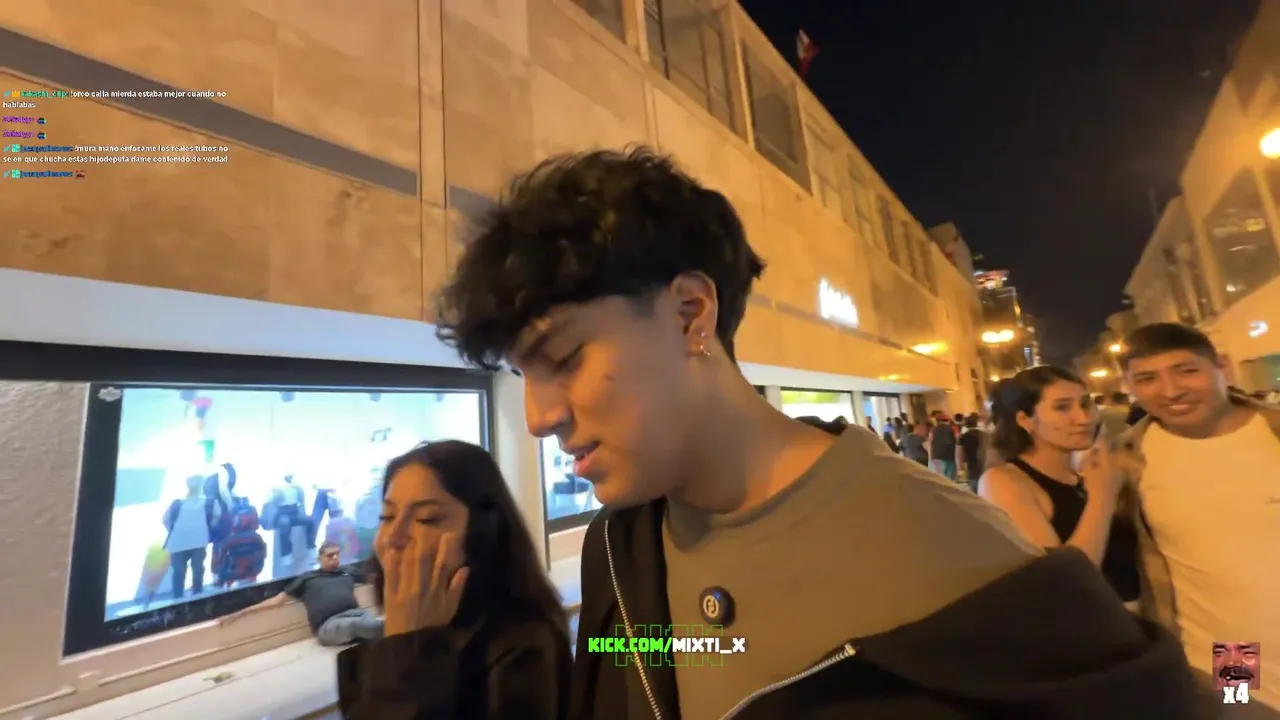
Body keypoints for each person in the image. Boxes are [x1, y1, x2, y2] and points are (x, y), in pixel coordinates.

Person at [433, 148, 1208, 718]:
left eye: (564, 359)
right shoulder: (619, 545)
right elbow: (647, 661)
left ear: (690, 314)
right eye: (522, 377)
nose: (537, 417)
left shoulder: (954, 551)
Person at [335, 441, 571, 719]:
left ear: (483, 532)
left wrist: (409, 652)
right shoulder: (388, 634)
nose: (393, 537)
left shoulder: (524, 649)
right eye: (387, 516)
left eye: (426, 519)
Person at [1120, 322, 1280, 711]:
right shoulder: (1126, 460)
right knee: (1242, 714)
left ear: (1222, 366)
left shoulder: (1273, 433)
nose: (1171, 390)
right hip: (1231, 653)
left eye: (1187, 370)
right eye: (1147, 379)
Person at [978, 366, 1141, 606]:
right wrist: (1103, 495)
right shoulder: (1004, 482)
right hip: (1087, 626)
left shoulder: (1084, 476)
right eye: (1062, 407)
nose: (1084, 418)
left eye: (1085, 404)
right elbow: (1066, 584)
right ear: (1025, 420)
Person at [219, 542, 382, 646]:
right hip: (330, 624)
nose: (335, 558)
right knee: (362, 626)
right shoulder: (307, 578)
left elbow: (375, 579)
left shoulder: (347, 571)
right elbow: (276, 601)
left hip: (358, 613)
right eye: (330, 555)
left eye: (337, 554)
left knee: (373, 623)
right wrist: (238, 614)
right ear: (319, 559)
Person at [161, 473, 217, 601]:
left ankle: (178, 598)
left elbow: (165, 520)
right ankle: (197, 596)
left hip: (178, 542)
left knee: (178, 572)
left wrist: (176, 531)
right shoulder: (209, 502)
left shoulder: (177, 503)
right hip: (199, 540)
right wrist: (205, 529)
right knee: (198, 569)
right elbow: (216, 517)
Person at [957, 413, 986, 492]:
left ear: (966, 425)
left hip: (971, 465)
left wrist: (960, 467)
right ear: (976, 423)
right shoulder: (984, 435)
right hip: (984, 464)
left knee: (974, 488)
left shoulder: (963, 437)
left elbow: (959, 453)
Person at [927, 414, 959, 481]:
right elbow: (957, 440)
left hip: (936, 456)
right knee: (950, 478)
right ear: (948, 421)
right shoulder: (952, 429)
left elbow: (929, 442)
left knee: (940, 478)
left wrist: (930, 456)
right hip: (949, 456)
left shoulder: (933, 430)